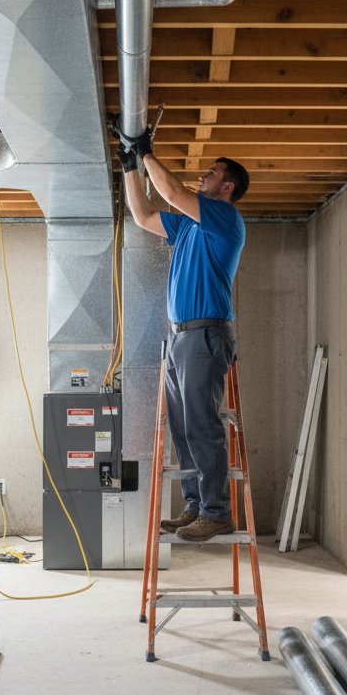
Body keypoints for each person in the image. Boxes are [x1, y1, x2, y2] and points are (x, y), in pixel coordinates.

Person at [115, 126, 250, 542]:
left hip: (205, 335)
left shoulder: (224, 218)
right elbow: (141, 216)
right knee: (182, 428)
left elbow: (172, 192)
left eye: (211, 173)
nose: (203, 176)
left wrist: (147, 153)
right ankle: (195, 507)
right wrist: (130, 168)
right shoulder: (189, 226)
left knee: (201, 424)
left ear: (226, 186)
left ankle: (216, 510)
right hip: (178, 338)